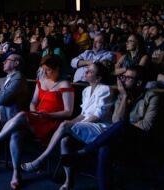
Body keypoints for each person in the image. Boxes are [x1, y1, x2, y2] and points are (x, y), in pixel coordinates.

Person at [0, 55, 75, 189]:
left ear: (57, 69)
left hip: (53, 122)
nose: (45, 73)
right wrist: (35, 111)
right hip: (38, 118)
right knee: (16, 132)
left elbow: (68, 112)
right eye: (43, 70)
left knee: (21, 116)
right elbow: (33, 102)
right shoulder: (41, 81)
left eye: (48, 70)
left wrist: (47, 114)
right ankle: (16, 173)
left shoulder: (65, 84)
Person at [61, 66, 160, 190]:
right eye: (123, 77)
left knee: (122, 126)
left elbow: (146, 126)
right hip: (120, 138)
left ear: (139, 82)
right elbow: (115, 121)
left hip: (140, 140)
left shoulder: (151, 97)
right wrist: (124, 97)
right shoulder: (121, 96)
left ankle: (84, 152)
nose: (123, 80)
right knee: (105, 147)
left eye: (128, 78)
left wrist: (125, 127)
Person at [21, 62, 113, 190]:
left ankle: (40, 160)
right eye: (87, 70)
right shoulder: (86, 90)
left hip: (100, 128)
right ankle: (69, 182)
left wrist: (70, 125)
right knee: (65, 139)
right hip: (85, 126)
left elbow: (97, 116)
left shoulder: (105, 89)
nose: (86, 72)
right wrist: (71, 124)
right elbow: (83, 114)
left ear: (98, 78)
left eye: (90, 71)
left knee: (65, 126)